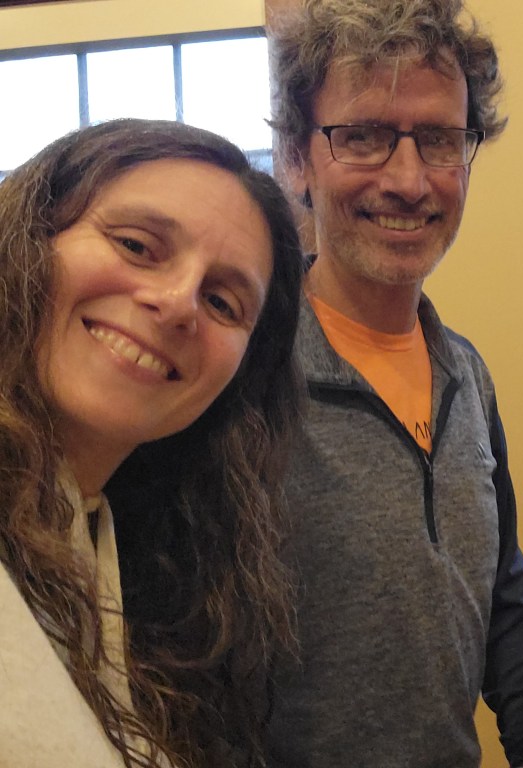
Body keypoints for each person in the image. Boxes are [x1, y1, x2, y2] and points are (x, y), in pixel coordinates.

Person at [266, 1, 523, 766]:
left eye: (438, 140)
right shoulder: (245, 380)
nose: (407, 179)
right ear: (296, 158)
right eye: (363, 136)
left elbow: (504, 602)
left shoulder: (468, 376)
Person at [0, 118, 305, 768]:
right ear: (27, 236)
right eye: (137, 245)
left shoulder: (117, 547)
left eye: (223, 303)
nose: (178, 303)